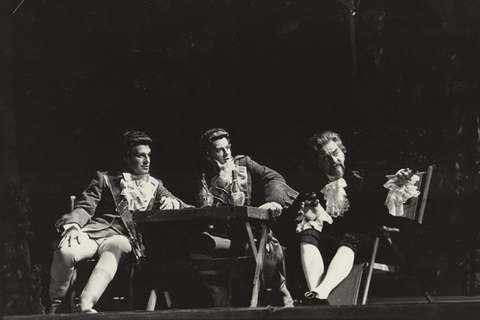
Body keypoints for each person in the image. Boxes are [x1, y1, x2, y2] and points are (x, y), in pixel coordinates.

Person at [49, 130, 192, 313]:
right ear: (126, 157)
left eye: (148, 155)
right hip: (95, 231)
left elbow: (184, 205)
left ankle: (85, 304)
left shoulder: (155, 185)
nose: (147, 160)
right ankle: (55, 308)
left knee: (115, 247)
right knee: (66, 250)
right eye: (140, 155)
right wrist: (74, 227)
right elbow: (85, 206)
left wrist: (172, 203)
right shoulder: (105, 178)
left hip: (125, 238)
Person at [296, 130, 420, 304]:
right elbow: (317, 221)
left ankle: (322, 292)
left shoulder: (363, 178)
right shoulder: (316, 186)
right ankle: (315, 293)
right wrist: (312, 212)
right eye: (325, 158)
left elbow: (384, 203)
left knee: (350, 238)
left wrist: (399, 182)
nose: (333, 161)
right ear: (318, 163)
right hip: (334, 247)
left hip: (370, 243)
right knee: (308, 234)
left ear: (343, 151)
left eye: (335, 153)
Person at [192, 128, 299, 307]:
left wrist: (273, 201)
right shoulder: (204, 175)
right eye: (219, 150)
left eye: (228, 147)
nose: (226, 153)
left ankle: (278, 285)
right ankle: (220, 297)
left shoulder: (244, 164)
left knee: (259, 250)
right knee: (199, 244)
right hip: (224, 237)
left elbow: (274, 178)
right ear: (208, 154)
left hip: (252, 234)